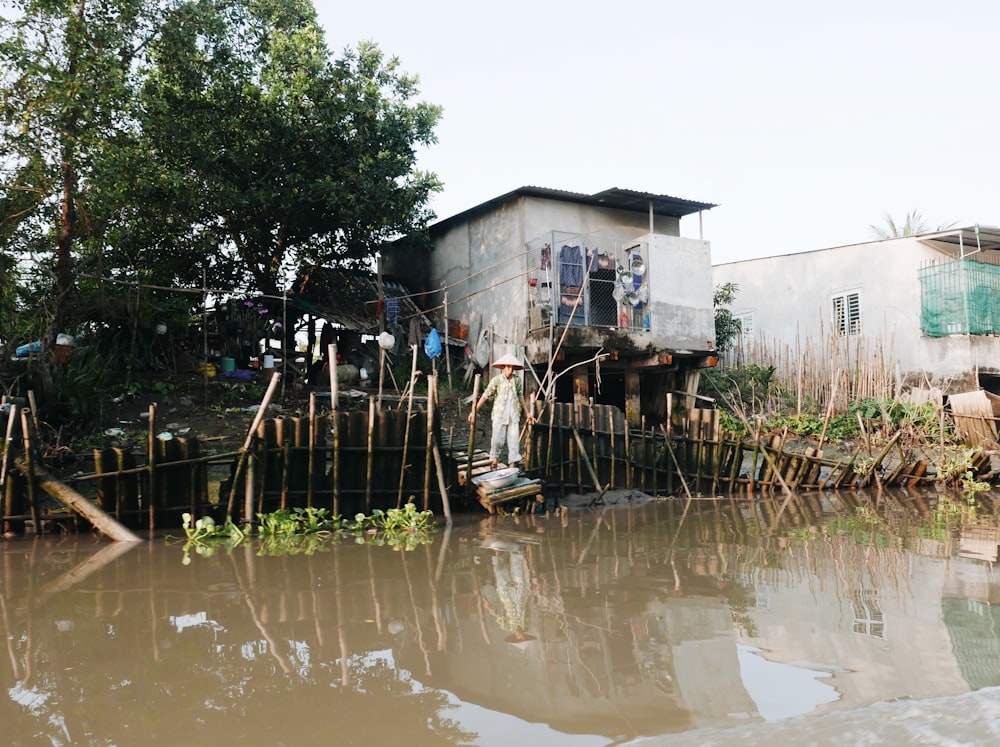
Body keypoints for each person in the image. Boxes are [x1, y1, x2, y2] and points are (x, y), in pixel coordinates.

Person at [468, 353, 535, 471]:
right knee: (496, 439)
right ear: (503, 367)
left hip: (513, 413)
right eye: (508, 367)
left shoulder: (517, 380)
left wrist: (528, 413)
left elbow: (520, 396)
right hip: (500, 413)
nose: (510, 369)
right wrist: (474, 411)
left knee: (514, 439)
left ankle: (513, 462)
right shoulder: (497, 380)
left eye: (512, 367)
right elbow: (486, 395)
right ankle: (494, 459)